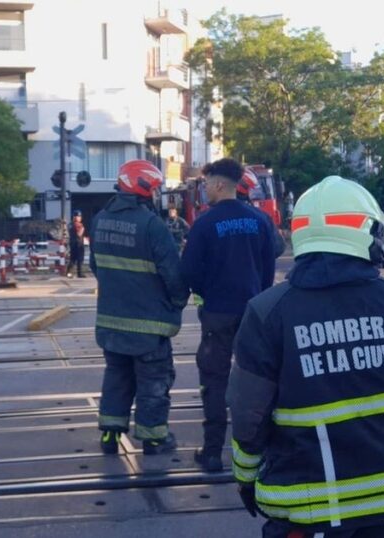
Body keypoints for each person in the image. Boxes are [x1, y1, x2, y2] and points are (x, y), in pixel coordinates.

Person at [228, 176, 384, 538]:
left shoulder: (267, 312)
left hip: (310, 507)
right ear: (368, 232)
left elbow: (249, 421)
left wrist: (246, 479)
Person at [180, 158, 277, 472]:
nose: (205, 189)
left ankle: (212, 453)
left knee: (214, 379)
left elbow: (189, 271)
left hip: (218, 314)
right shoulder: (261, 220)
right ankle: (261, 450)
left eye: (207, 184)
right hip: (254, 313)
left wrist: (207, 292)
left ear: (219, 184)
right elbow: (269, 267)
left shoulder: (204, 224)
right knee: (257, 379)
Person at [90, 159, 190, 455]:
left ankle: (110, 434)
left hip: (111, 322)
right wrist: (178, 301)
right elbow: (172, 274)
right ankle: (154, 438)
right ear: (144, 188)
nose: (157, 195)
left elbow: (96, 266)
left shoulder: (99, 220)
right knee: (153, 381)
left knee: (117, 377)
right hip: (148, 324)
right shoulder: (151, 225)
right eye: (155, 189)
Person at [67, 210, 87, 278]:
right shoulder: (79, 224)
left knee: (72, 259)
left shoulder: (70, 224)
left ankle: (69, 273)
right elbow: (79, 234)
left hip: (72, 244)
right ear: (78, 217)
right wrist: (83, 229)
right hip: (79, 244)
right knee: (80, 259)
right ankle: (80, 273)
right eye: (79, 216)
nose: (80, 218)